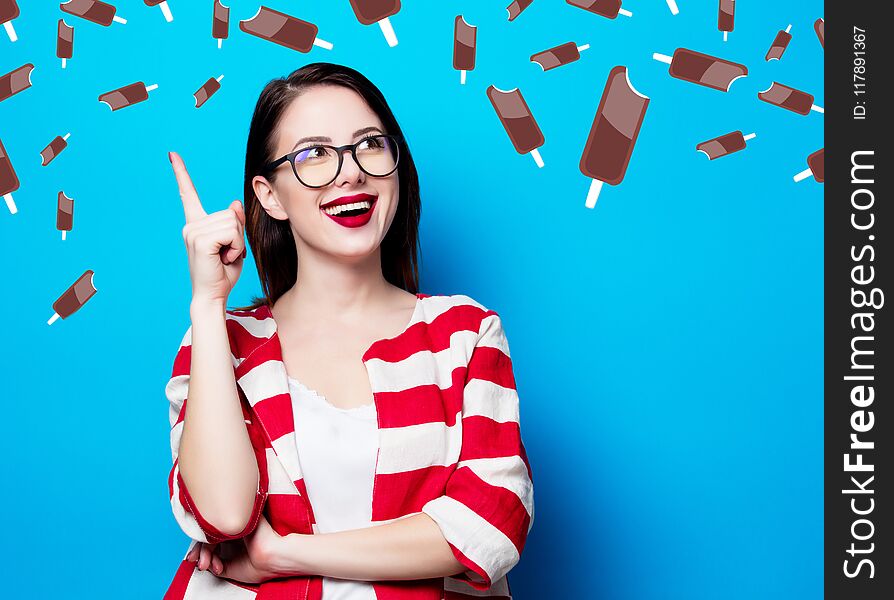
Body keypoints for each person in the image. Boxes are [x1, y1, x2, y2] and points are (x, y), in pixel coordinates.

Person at [163, 63, 534, 600]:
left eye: (369, 146)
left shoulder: (464, 334)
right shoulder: (221, 342)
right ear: (269, 197)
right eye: (313, 154)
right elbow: (222, 513)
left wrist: (283, 554)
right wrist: (207, 304)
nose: (350, 172)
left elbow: (490, 525)